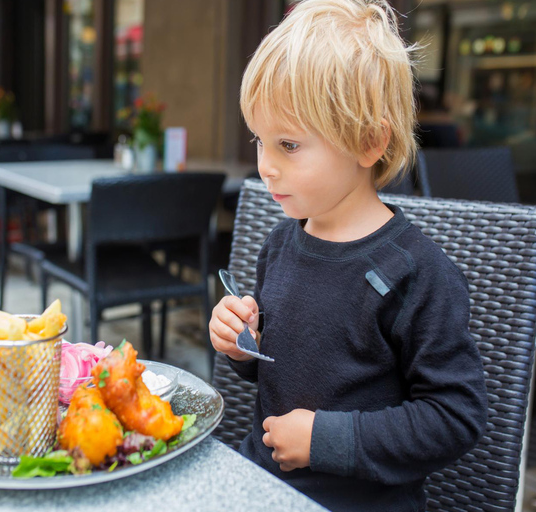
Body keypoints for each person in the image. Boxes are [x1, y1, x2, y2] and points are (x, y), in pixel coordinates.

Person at [209, 1, 488, 510]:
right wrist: (241, 345)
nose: (265, 166)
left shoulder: (416, 273)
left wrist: (326, 441)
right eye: (259, 140)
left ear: (368, 141)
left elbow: (455, 416)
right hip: (259, 487)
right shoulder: (280, 244)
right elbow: (279, 367)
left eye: (288, 145)